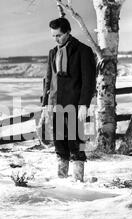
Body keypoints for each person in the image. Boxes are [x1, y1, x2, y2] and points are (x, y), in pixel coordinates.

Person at [41, 17, 96, 182]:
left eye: (58, 35)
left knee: (76, 141)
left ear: (68, 32)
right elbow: (48, 80)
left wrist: (84, 105)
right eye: (53, 36)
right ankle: (62, 179)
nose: (56, 39)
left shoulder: (83, 51)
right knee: (59, 143)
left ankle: (78, 180)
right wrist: (45, 104)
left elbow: (89, 81)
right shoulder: (53, 52)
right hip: (55, 104)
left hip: (75, 105)